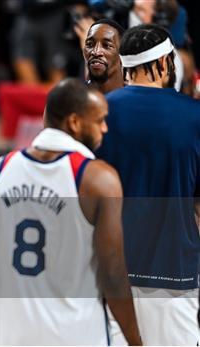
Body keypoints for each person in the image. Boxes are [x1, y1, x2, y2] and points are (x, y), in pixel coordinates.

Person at [0, 78, 142, 345]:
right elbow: (113, 274)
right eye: (100, 120)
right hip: (77, 334)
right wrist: (136, 340)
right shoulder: (97, 179)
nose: (105, 128)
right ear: (74, 122)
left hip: (14, 335)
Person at [97, 24, 200, 345]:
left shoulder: (98, 113)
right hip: (175, 268)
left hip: (111, 270)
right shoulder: (195, 115)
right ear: (166, 63)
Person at [83, 18, 125, 94]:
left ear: (123, 53)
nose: (96, 52)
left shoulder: (135, 100)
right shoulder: (74, 98)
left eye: (107, 45)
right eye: (90, 44)